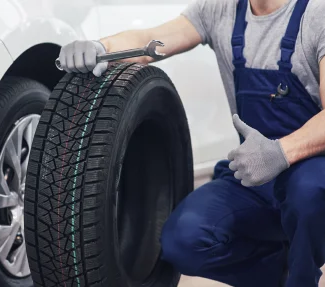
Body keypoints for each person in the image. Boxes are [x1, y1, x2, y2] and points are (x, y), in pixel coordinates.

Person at [57, 0, 325, 286]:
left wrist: (280, 153)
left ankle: (303, 278)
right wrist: (101, 48)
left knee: (308, 193)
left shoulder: (316, 16)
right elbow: (150, 40)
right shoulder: (220, 11)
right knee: (183, 240)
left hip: (309, 169)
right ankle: (278, 271)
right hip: (253, 176)